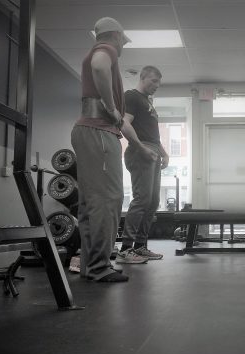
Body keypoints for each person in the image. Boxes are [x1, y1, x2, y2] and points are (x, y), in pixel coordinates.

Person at [71, 17, 157, 282]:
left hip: (96, 131)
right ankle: (98, 266)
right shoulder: (105, 49)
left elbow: (120, 122)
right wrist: (109, 106)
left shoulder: (101, 53)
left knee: (91, 202)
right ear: (117, 37)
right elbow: (99, 67)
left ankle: (90, 265)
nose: (122, 47)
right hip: (98, 131)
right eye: (123, 41)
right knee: (107, 199)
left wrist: (140, 147)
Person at [117, 66, 168, 263]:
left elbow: (153, 135)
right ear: (143, 77)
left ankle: (140, 246)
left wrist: (163, 153)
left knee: (153, 201)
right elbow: (125, 123)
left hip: (152, 150)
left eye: (158, 83)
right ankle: (126, 248)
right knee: (141, 199)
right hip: (141, 151)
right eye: (153, 81)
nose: (156, 86)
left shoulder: (148, 102)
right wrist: (140, 148)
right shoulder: (132, 96)